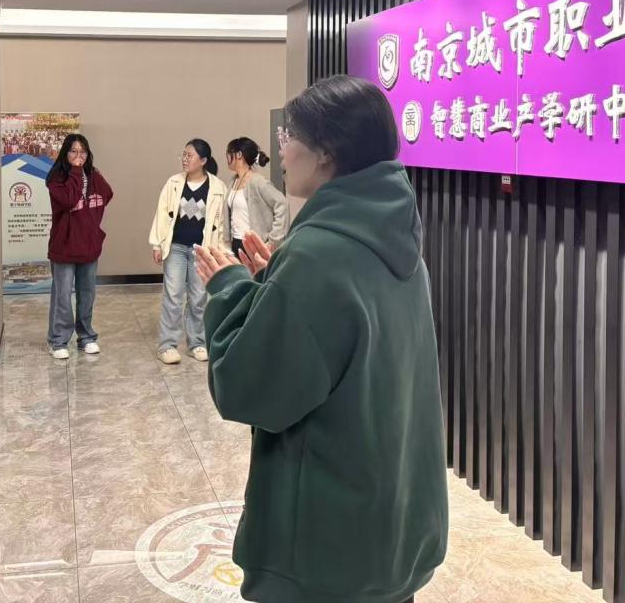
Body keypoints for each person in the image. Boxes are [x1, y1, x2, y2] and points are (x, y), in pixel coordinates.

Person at [194, 76, 448, 603]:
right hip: (391, 528)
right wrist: (276, 286)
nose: (281, 149)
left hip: (325, 547)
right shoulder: (397, 243)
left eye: (288, 135)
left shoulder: (316, 256)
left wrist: (231, 289)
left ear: (326, 151)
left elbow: (248, 389)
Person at [149, 139, 228, 365]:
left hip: (202, 250)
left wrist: (219, 253)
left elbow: (221, 224)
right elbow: (162, 213)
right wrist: (157, 244)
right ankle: (167, 346)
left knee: (199, 296)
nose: (184, 159)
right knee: (173, 296)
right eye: (183, 154)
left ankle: (197, 343)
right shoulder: (173, 183)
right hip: (175, 247)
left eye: (189, 155)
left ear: (203, 160)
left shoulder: (218, 188)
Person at [45, 134, 114, 360]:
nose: (78, 156)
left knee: (87, 294)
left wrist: (91, 221)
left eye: (83, 152)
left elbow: (107, 194)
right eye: (73, 151)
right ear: (65, 153)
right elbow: (69, 200)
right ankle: (58, 340)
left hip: (89, 245)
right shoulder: (56, 178)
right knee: (63, 296)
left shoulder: (93, 174)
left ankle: (86, 337)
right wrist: (76, 172)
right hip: (64, 246)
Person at [224, 137, 289, 260]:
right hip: (235, 243)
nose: (226, 157)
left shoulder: (258, 181)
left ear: (238, 155)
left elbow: (282, 204)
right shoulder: (233, 181)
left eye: (228, 152)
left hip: (253, 245)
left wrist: (274, 240)